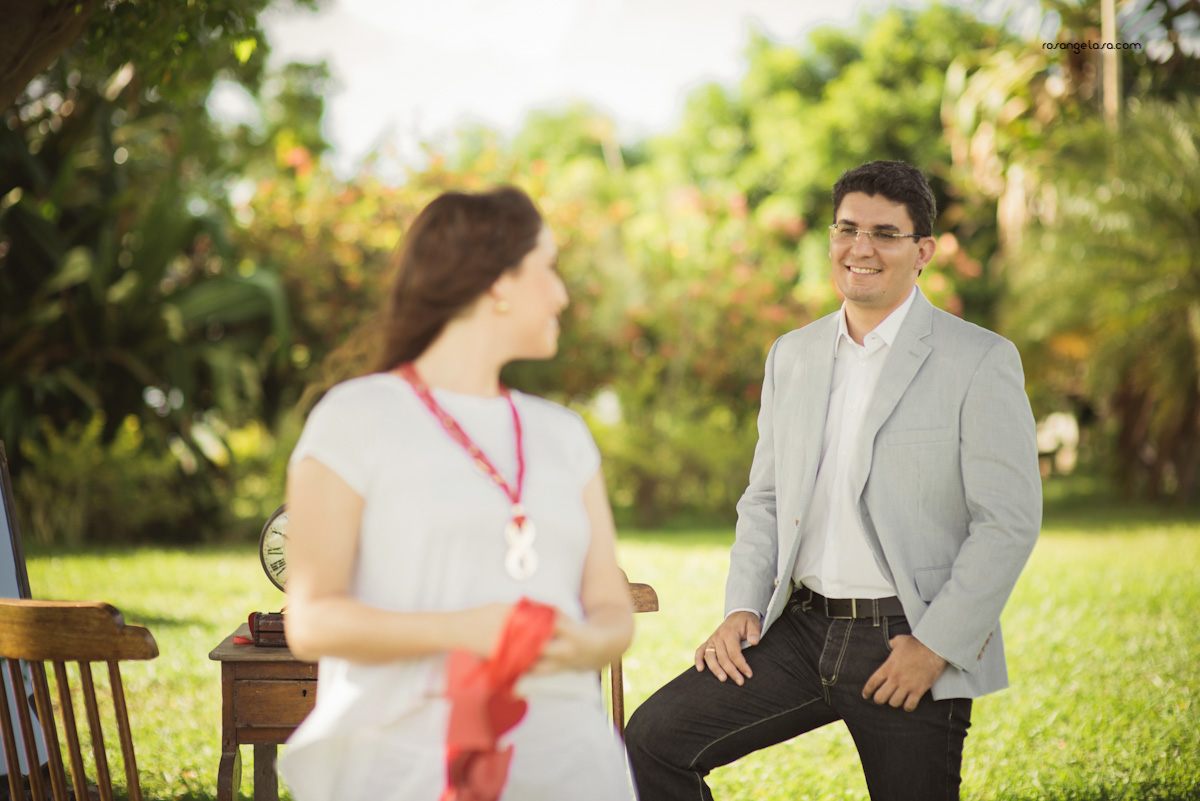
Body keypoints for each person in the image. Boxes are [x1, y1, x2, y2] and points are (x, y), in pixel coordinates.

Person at [624, 160, 1042, 800]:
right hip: (797, 631)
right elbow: (765, 498)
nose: (860, 248)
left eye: (885, 233)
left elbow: (1007, 522)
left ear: (923, 251)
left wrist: (935, 646)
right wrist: (741, 607)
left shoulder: (979, 359)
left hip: (905, 639)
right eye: (847, 229)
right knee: (653, 740)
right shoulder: (790, 356)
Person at [279, 187, 636, 801]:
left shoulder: (565, 435)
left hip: (571, 765)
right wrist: (467, 629)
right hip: (409, 768)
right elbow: (311, 621)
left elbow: (611, 608)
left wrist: (585, 643)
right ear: (498, 282)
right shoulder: (355, 418)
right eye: (547, 268)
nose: (561, 295)